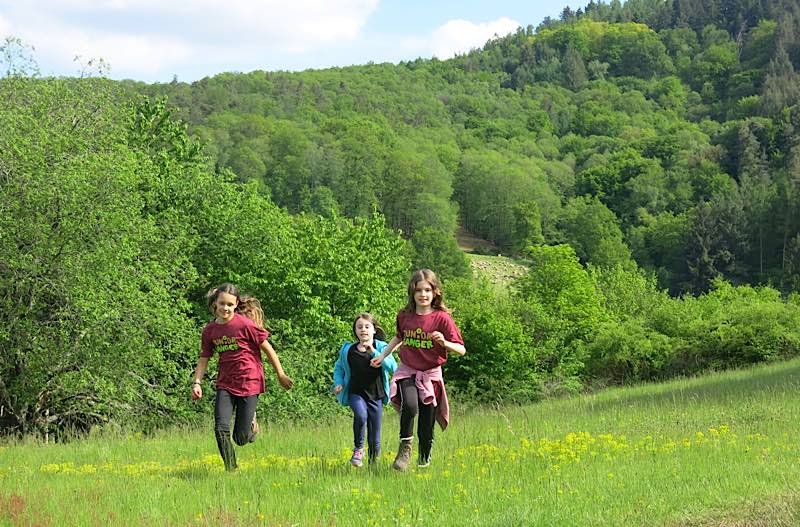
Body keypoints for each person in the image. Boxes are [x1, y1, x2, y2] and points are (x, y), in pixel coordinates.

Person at [191, 283, 293, 471]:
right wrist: (197, 383)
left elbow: (267, 348)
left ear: (236, 304)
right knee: (220, 428)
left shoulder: (245, 325)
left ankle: (251, 421)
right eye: (222, 304)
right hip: (226, 383)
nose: (225, 308)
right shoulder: (210, 331)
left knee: (240, 438)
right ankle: (232, 469)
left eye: (230, 304)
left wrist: (280, 374)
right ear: (215, 304)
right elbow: (204, 357)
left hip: (249, 381)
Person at [371, 269, 466, 471]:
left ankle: (424, 459)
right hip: (408, 370)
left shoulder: (442, 319)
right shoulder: (405, 316)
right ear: (412, 293)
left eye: (427, 290)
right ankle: (404, 449)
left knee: (426, 420)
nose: (423, 295)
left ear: (435, 293)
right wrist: (383, 355)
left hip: (431, 375)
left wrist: (445, 343)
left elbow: (461, 349)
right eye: (418, 290)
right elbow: (399, 337)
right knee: (411, 405)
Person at [332, 313, 398, 467]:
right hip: (356, 393)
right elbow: (338, 368)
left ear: (374, 330)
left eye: (367, 327)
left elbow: (393, 368)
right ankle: (358, 449)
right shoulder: (348, 350)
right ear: (355, 331)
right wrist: (338, 383)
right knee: (361, 416)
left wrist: (374, 352)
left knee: (375, 436)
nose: (363, 330)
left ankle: (373, 465)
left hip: (376, 395)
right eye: (359, 327)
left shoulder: (382, 347)